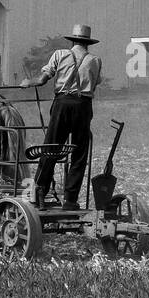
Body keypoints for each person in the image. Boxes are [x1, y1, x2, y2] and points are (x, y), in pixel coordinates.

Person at [20, 24, 103, 209]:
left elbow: (42, 80)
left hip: (62, 104)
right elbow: (96, 83)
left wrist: (28, 82)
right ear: (88, 43)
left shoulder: (60, 55)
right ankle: (70, 200)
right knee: (79, 153)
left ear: (72, 40)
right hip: (83, 106)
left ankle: (38, 192)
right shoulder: (95, 60)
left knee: (51, 147)